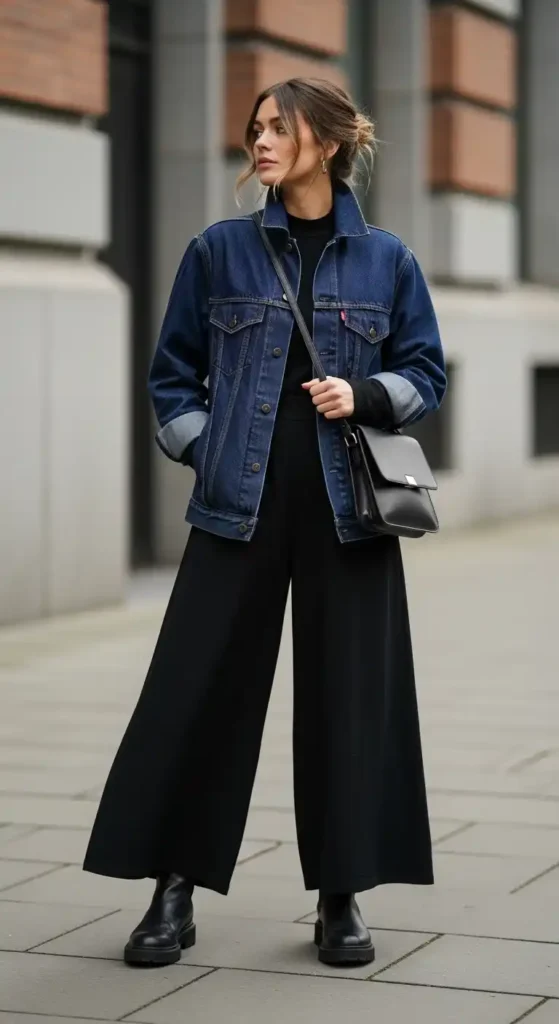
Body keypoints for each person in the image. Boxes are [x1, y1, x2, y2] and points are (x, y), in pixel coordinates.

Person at [84, 77, 446, 968]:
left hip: (347, 510)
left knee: (349, 701)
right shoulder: (218, 251)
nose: (260, 142)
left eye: (279, 128)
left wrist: (363, 393)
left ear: (328, 142)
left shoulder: (387, 260)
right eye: (255, 130)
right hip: (235, 507)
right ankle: (173, 890)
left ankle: (341, 896)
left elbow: (425, 373)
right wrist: (206, 452)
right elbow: (172, 379)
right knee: (197, 692)